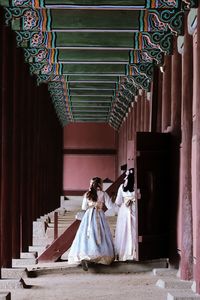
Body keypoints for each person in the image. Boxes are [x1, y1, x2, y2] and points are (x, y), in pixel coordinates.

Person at [68, 177, 115, 271]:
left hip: (88, 216)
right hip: (99, 215)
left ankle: (85, 256)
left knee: (87, 235)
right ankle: (99, 257)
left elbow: (84, 207)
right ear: (100, 184)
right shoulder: (103, 194)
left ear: (91, 184)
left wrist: (91, 205)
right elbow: (110, 206)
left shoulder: (87, 194)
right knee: (100, 235)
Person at [114, 168, 136, 261]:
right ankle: (134, 253)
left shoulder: (122, 187)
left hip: (124, 209)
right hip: (134, 209)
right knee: (134, 229)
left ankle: (124, 253)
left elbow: (118, 202)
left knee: (123, 230)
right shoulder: (137, 186)